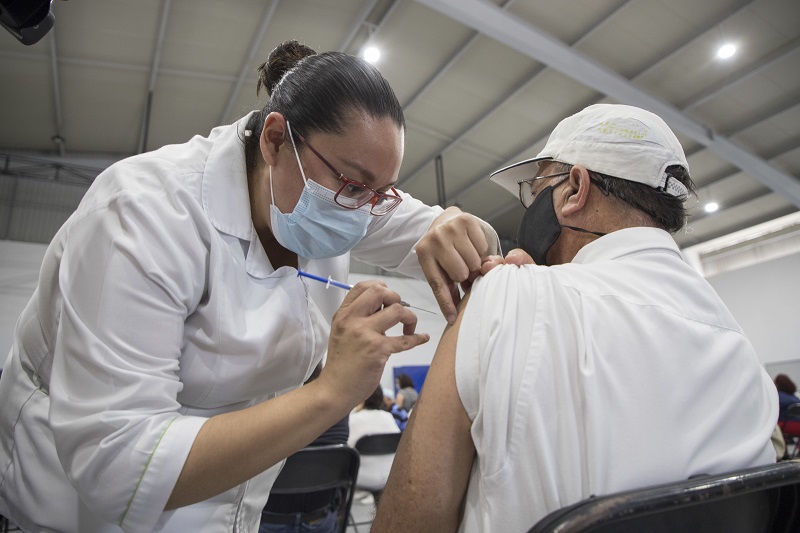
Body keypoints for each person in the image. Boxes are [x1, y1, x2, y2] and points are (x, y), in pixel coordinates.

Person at [0, 40, 499, 532]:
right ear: (276, 140)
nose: (366, 210)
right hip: (66, 514)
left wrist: (461, 224)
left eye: (380, 194)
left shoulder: (344, 200)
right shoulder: (143, 215)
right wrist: (331, 392)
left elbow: (456, 236)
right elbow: (118, 466)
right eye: (353, 185)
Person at [373, 104, 778, 532]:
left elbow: (409, 521)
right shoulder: (740, 348)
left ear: (574, 190)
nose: (530, 210)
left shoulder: (504, 295)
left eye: (536, 190)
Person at [259, 364, 349, 533]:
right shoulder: (341, 412)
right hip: (320, 520)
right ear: (320, 369)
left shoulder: (263, 414)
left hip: (268, 520)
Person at [348, 386, 401, 498]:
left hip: (360, 480)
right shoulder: (389, 417)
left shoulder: (352, 420)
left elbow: (346, 453)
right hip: (389, 478)